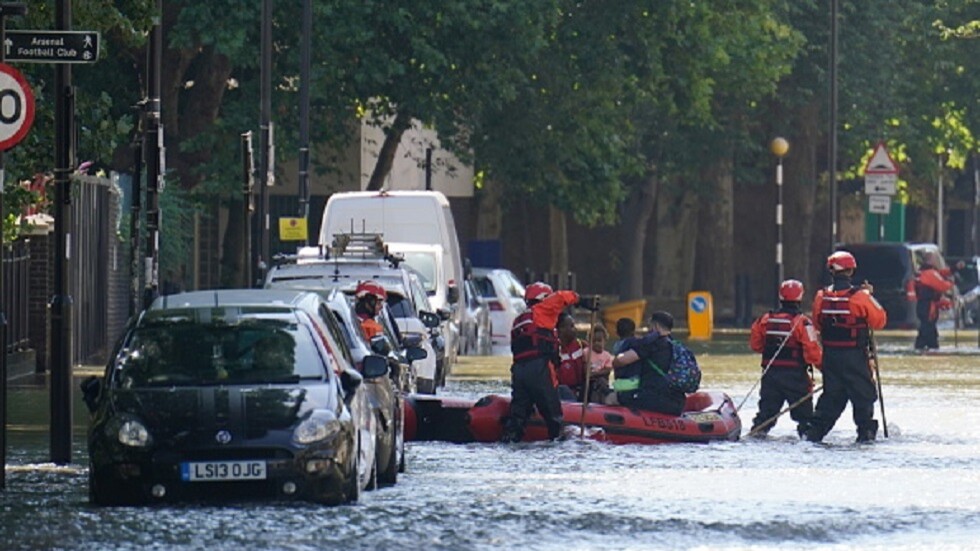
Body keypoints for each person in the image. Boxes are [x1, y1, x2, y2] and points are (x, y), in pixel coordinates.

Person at [806, 251, 887, 443]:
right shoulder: (860, 297)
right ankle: (865, 434)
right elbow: (880, 320)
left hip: (831, 357)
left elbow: (816, 323)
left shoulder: (820, 297)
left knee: (831, 396)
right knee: (863, 395)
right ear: (851, 271)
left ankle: (813, 434)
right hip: (855, 357)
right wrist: (869, 295)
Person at [501, 282, 596, 442]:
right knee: (554, 416)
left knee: (518, 415)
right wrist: (582, 301)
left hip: (518, 371)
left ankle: (511, 438)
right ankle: (557, 444)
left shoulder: (519, 320)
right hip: (539, 369)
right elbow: (561, 297)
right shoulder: (543, 310)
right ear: (543, 298)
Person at [748, 279, 823, 438]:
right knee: (805, 420)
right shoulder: (803, 323)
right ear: (801, 297)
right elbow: (813, 353)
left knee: (765, 417)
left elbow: (756, 345)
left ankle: (755, 435)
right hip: (795, 377)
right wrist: (826, 370)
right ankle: (807, 440)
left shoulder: (764, 320)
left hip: (770, 375)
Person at [610, 311, 686, 416]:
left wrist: (615, 360)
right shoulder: (677, 346)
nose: (648, 329)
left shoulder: (650, 344)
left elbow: (621, 361)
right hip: (677, 402)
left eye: (649, 325)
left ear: (656, 326)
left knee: (611, 398)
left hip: (653, 397)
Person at [914, 253, 964, 350]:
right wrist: (953, 282)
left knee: (927, 329)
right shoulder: (930, 273)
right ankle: (928, 347)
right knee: (928, 330)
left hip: (924, 306)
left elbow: (942, 273)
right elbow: (942, 285)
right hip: (928, 307)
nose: (938, 261)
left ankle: (926, 347)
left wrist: (955, 268)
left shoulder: (925, 272)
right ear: (930, 260)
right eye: (935, 259)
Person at [555, 313, 588, 401]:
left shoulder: (582, 345)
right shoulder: (554, 351)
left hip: (583, 392)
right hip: (564, 396)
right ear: (561, 329)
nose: (575, 329)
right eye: (572, 326)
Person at [587, 324, 614, 403]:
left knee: (601, 382)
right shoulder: (587, 353)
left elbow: (607, 370)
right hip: (589, 383)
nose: (596, 343)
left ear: (605, 341)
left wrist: (594, 374)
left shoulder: (607, 356)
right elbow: (585, 368)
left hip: (601, 382)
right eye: (593, 341)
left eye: (599, 341)